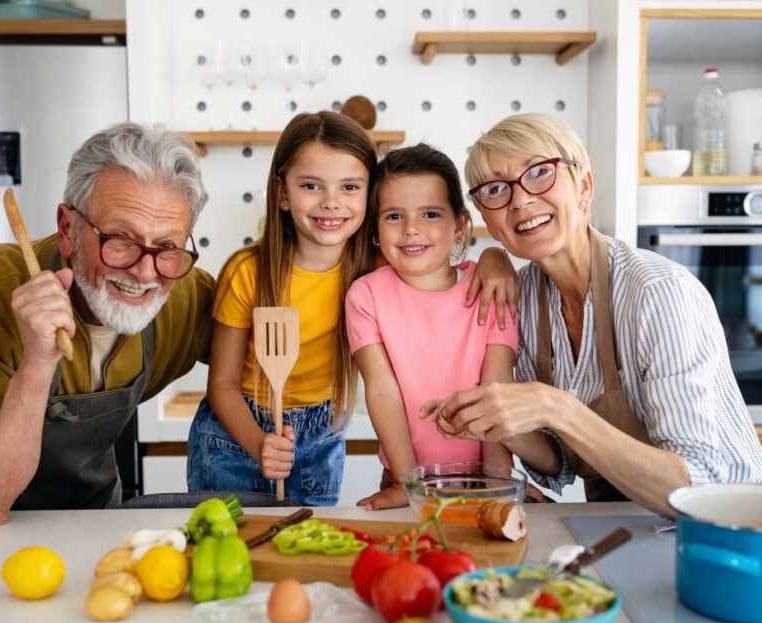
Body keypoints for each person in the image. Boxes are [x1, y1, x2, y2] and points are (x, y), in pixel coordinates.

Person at [431, 114, 762, 517]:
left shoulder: (658, 294)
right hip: (622, 524)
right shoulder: (525, 299)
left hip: (726, 528)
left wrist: (554, 407)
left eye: (539, 173)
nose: (520, 200)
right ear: (491, 222)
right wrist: (497, 423)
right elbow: (563, 460)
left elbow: (696, 488)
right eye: (496, 190)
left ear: (584, 187)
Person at [187, 112, 517, 506]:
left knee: (308, 548)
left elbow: (441, 262)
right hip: (239, 431)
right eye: (311, 185)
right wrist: (259, 443)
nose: (331, 203)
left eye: (349, 187)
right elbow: (221, 384)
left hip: (321, 431)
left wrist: (496, 256)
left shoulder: (375, 271)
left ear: (368, 197)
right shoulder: (249, 273)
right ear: (282, 193)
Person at [0, 122, 215, 525]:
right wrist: (36, 365)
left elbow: (269, 357)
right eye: (120, 238)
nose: (144, 271)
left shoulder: (184, 294)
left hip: (85, 522)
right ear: (68, 228)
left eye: (167, 246)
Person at [345, 144, 518, 511]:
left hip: (483, 480)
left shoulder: (491, 288)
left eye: (430, 214)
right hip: (404, 479)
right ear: (375, 228)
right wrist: (409, 484)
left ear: (459, 225)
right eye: (394, 216)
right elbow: (382, 391)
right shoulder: (366, 295)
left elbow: (497, 390)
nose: (411, 230)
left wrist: (499, 487)